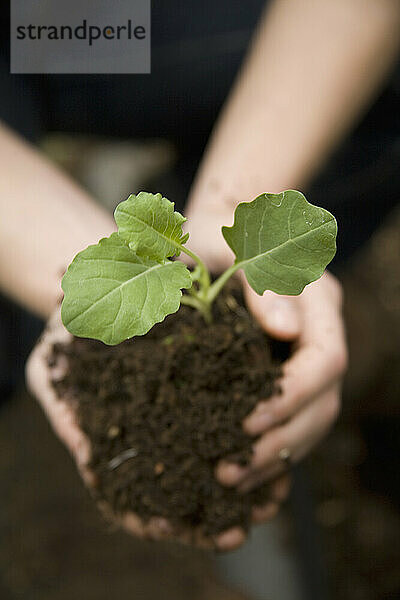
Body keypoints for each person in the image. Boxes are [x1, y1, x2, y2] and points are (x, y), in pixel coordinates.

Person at [1, 0, 400, 551]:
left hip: (65, 22)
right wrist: (63, 274)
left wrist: (226, 209)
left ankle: (183, 192)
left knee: (381, 84)